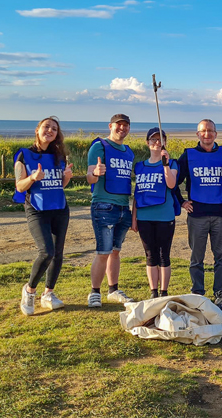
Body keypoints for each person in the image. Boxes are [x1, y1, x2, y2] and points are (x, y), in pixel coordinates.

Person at [14, 116, 74, 315]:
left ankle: (48, 294)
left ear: (57, 134)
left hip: (59, 207)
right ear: (37, 130)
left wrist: (66, 178)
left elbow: (59, 185)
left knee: (57, 253)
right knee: (46, 252)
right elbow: (19, 186)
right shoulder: (24, 155)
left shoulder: (59, 156)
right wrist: (32, 177)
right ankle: (29, 290)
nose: (50, 130)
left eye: (54, 129)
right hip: (36, 209)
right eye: (46, 127)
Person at [175, 119, 222, 297]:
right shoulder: (188, 154)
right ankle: (197, 292)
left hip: (219, 214)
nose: (207, 134)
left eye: (210, 131)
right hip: (197, 215)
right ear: (198, 134)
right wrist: (182, 202)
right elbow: (173, 181)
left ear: (216, 134)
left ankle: (220, 293)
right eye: (203, 131)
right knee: (196, 258)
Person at [85, 113, 135, 307]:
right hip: (104, 206)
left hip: (124, 206)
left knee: (115, 251)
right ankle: (94, 292)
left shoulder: (128, 151)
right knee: (103, 251)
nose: (122, 128)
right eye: (118, 125)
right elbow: (90, 176)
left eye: (126, 126)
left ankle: (113, 289)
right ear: (110, 126)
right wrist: (95, 173)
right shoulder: (99, 146)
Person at [131, 128, 179, 299]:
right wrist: (134, 217)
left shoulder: (171, 163)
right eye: (153, 139)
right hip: (144, 217)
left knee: (163, 255)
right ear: (147, 143)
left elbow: (172, 184)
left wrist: (165, 165)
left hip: (164, 216)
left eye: (160, 139)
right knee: (150, 255)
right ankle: (153, 292)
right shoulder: (140, 166)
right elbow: (138, 193)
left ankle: (164, 291)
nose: (157, 143)